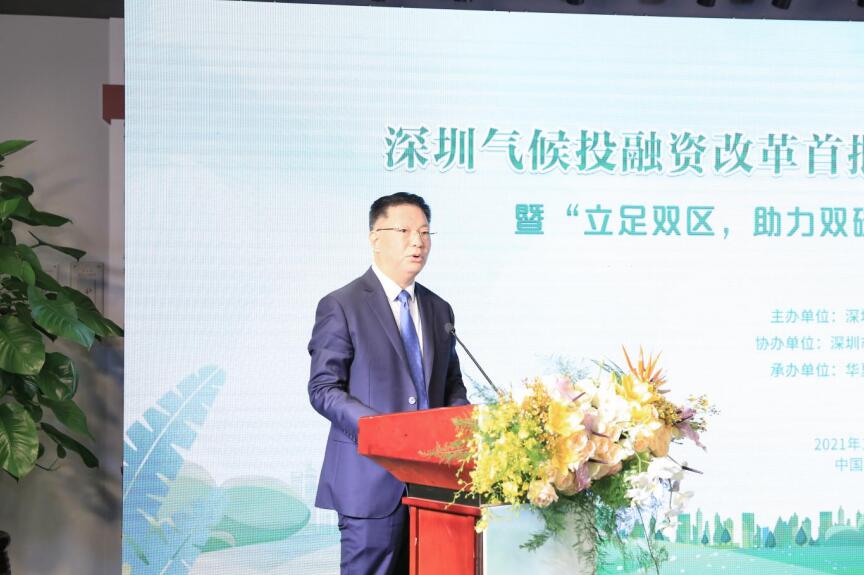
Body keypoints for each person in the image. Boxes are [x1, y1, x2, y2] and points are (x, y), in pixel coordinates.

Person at [308, 192, 469, 575]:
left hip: (434, 485)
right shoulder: (342, 305)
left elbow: (451, 386)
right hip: (370, 481)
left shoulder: (439, 309)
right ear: (375, 238)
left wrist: (465, 428)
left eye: (425, 233)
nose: (418, 242)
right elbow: (324, 389)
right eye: (405, 231)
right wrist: (382, 431)